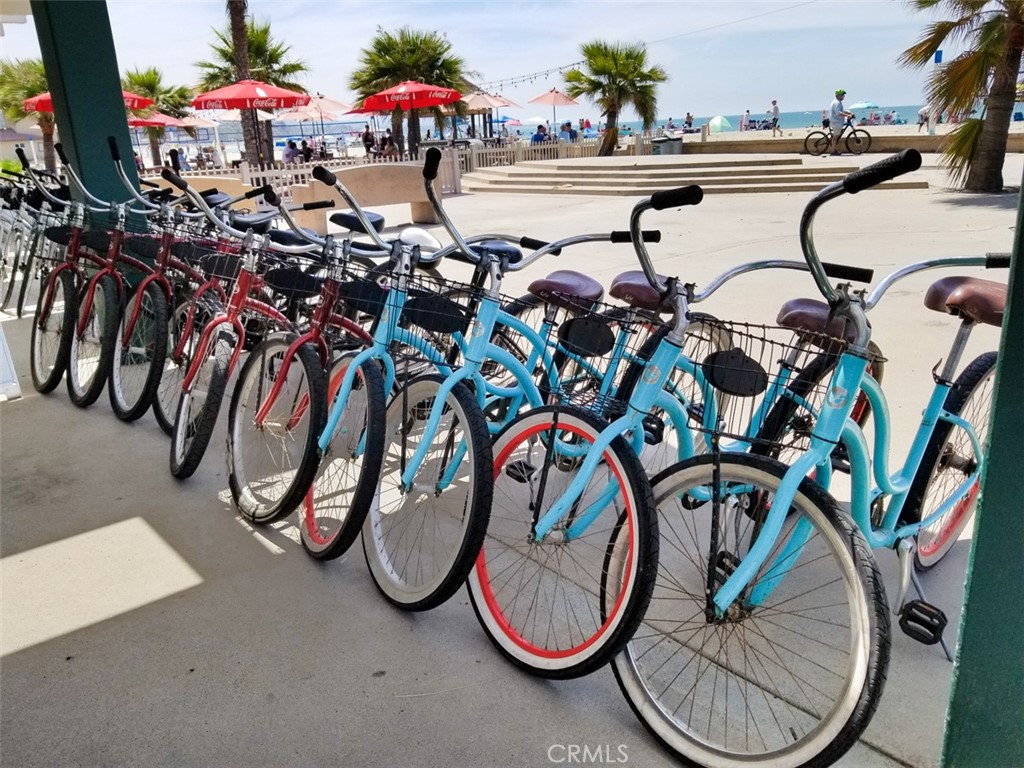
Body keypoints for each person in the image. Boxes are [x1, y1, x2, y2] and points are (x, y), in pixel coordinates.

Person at [828, 89, 854, 155]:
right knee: (835, 137)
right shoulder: (837, 103)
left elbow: (841, 111)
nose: (844, 96)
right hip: (836, 122)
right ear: (839, 95)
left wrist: (849, 113)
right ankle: (832, 152)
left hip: (836, 122)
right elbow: (838, 113)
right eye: (843, 95)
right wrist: (848, 115)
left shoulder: (837, 102)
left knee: (835, 136)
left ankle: (833, 149)